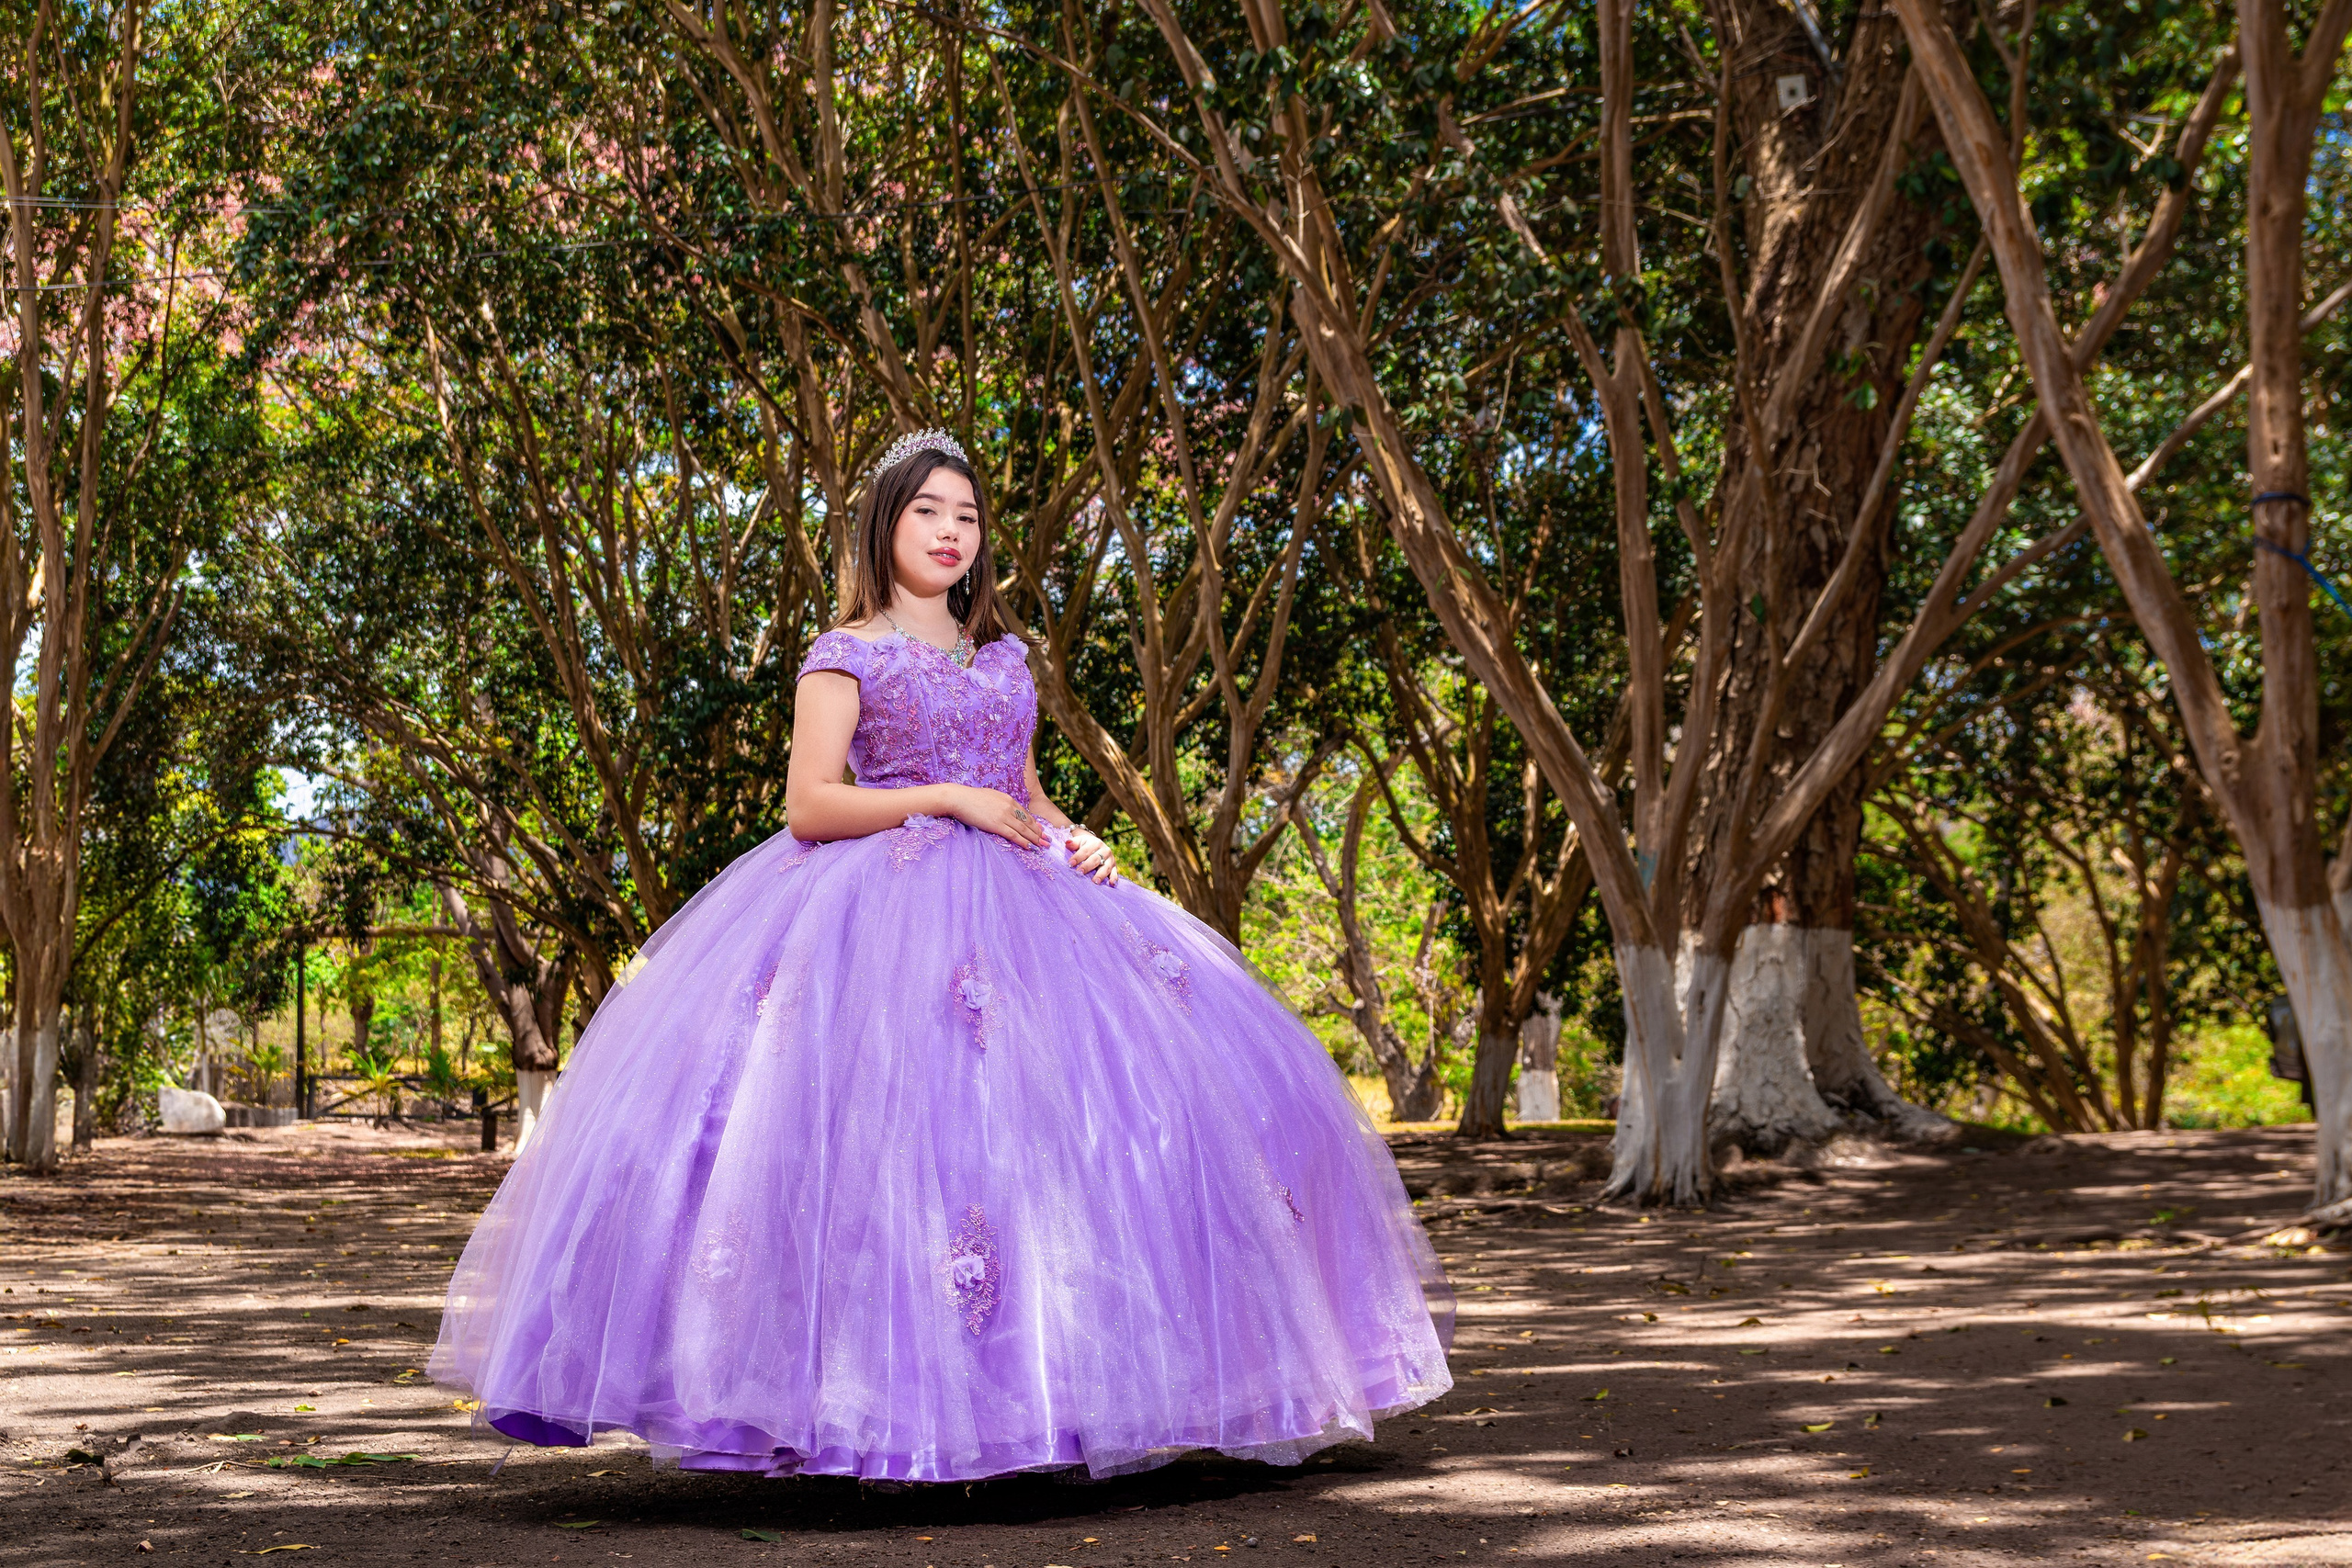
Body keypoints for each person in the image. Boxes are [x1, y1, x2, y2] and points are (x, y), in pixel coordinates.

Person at [429, 429, 1453, 1483]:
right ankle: (852, 1411)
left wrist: (1072, 835)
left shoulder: (1006, 657)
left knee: (1088, 1140)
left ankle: (1057, 1405)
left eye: (966, 516)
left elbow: (1027, 792)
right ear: (886, 524)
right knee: (882, 1152)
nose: (951, 532)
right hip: (876, 919)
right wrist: (946, 799)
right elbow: (811, 805)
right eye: (929, 512)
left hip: (1030, 913)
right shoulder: (845, 654)